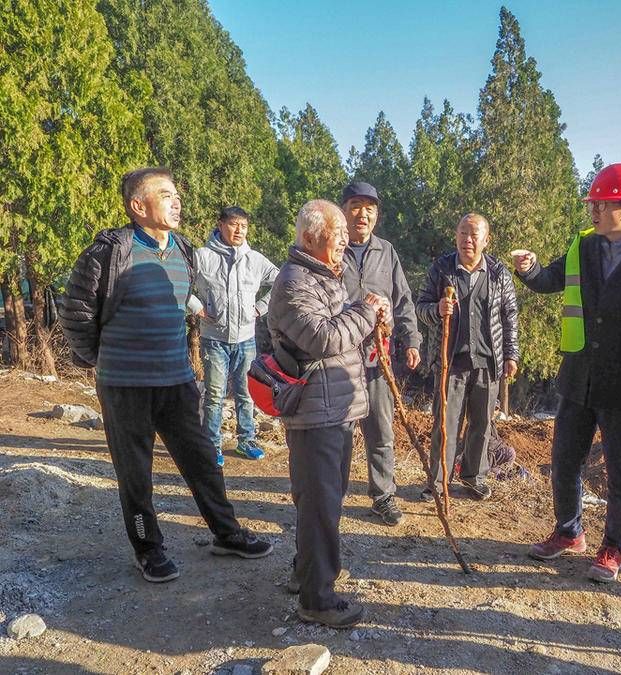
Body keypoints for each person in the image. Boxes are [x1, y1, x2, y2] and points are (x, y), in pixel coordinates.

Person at [59, 167, 272, 583]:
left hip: (176, 381)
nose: (176, 201)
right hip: (124, 386)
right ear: (138, 206)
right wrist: (102, 359)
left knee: (203, 460)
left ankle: (227, 534)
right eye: (165, 194)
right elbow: (75, 313)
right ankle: (148, 549)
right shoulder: (108, 253)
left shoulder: (184, 250)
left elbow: (184, 305)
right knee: (136, 473)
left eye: (177, 194)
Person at [512, 163, 621, 584]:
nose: (594, 211)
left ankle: (614, 547)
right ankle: (569, 532)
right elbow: (550, 280)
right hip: (580, 378)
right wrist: (530, 269)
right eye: (594, 204)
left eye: (602, 205)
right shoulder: (582, 246)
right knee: (565, 459)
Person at [267, 199, 389, 628]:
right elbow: (322, 338)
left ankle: (308, 574)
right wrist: (366, 312)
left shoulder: (324, 276)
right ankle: (317, 599)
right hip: (315, 413)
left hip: (335, 408)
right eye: (334, 234)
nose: (342, 240)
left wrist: (372, 323)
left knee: (324, 501)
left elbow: (345, 338)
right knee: (319, 504)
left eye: (342, 234)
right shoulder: (295, 281)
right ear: (309, 238)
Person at [416, 213, 519, 502]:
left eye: (474, 235)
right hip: (451, 362)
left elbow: (510, 316)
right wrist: (436, 310)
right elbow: (420, 307)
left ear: (487, 240)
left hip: (488, 363)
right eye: (463, 233)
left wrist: (511, 354)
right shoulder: (441, 269)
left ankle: (474, 477)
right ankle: (437, 482)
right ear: (456, 236)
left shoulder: (499, 273)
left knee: (483, 424)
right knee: (445, 424)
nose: (468, 240)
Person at [339, 181, 422, 526]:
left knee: (380, 429)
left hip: (377, 356)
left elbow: (403, 299)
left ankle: (383, 494)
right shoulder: (332, 247)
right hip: (338, 356)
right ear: (344, 210)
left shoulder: (386, 251)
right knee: (338, 430)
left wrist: (412, 340)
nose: (363, 213)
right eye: (356, 205)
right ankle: (333, 494)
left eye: (370, 208)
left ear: (377, 215)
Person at [189, 206, 279, 466]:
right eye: (233, 224)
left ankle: (246, 441)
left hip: (245, 338)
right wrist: (197, 307)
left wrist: (260, 308)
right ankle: (211, 445)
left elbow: (282, 281)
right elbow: (179, 282)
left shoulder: (255, 259)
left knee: (246, 392)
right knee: (215, 393)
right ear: (220, 225)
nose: (239, 230)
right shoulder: (203, 256)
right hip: (214, 339)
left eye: (244, 226)